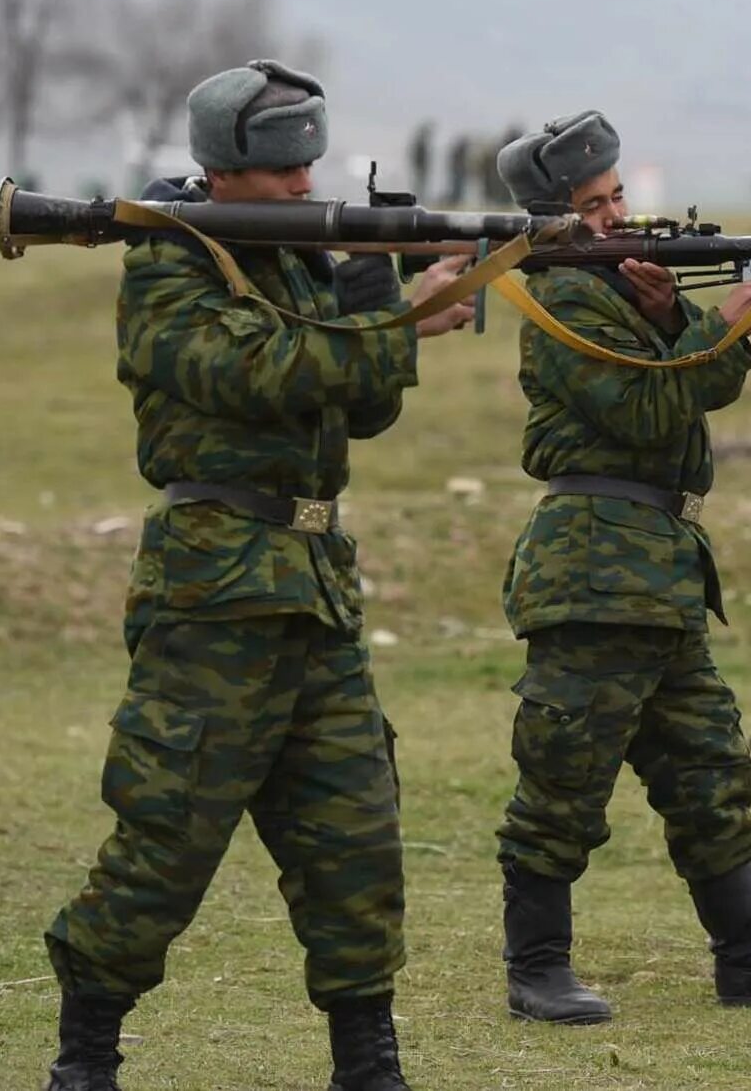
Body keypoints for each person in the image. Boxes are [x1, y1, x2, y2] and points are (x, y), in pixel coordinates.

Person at [40, 59, 474, 1091]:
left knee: (354, 840)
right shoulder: (166, 264)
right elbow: (263, 372)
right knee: (168, 838)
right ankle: (84, 1060)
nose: (301, 182)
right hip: (215, 593)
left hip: (313, 587)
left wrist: (375, 284)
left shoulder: (290, 256)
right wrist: (402, 320)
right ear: (223, 169)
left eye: (309, 163)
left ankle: (368, 1067)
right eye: (281, 168)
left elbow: (356, 405)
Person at [489, 110, 751, 1025]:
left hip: (656, 568)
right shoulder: (560, 299)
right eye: (595, 203)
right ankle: (535, 966)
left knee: (707, 768)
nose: (618, 213)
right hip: (594, 565)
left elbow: (696, 382)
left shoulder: (620, 289)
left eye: (619, 193)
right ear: (554, 220)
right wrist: (717, 325)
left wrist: (679, 317)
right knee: (564, 774)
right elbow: (644, 408)